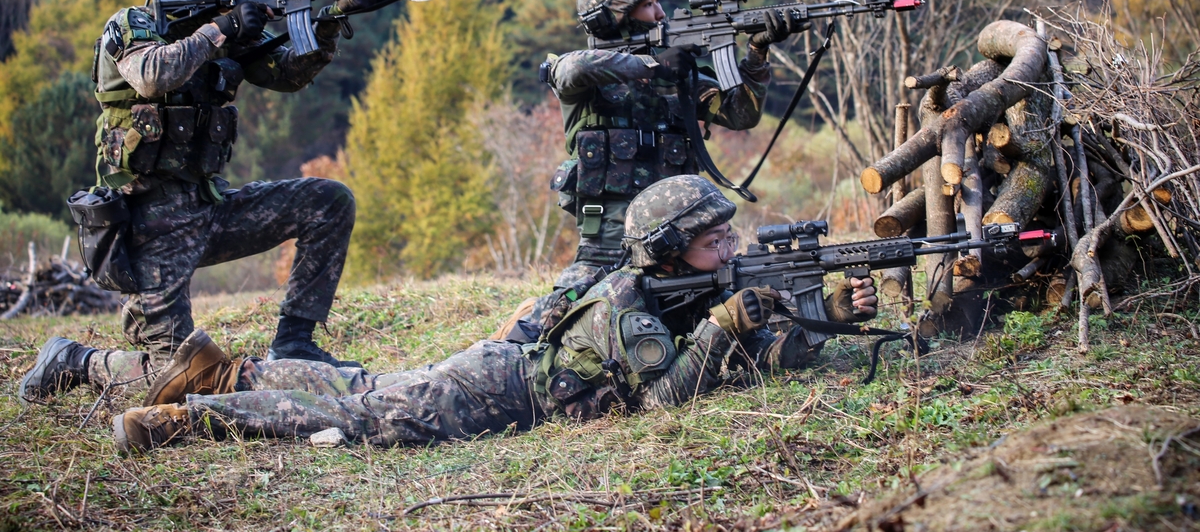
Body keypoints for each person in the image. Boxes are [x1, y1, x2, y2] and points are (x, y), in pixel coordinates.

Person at [111, 175, 877, 453]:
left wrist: (828, 314)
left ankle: (224, 369)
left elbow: (752, 360)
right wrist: (723, 327)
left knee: (369, 384)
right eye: (716, 242)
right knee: (358, 419)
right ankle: (195, 415)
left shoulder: (681, 283)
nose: (731, 250)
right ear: (673, 252)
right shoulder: (632, 305)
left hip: (502, 367)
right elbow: (664, 398)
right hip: (496, 391)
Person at [21, 0, 381, 407]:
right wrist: (221, 29)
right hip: (152, 226)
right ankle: (76, 361)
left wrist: (333, 20)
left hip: (210, 208)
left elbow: (286, 75)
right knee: (176, 376)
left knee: (328, 201)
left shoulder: (225, 27)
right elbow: (152, 74)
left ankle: (295, 341)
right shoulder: (132, 26)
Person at [501, 0, 806, 341]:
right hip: (610, 241)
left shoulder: (680, 77)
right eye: (649, 4)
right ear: (612, 17)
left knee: (733, 305)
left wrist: (757, 54)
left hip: (680, 237)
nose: (661, 13)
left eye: (660, 1)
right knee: (559, 319)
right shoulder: (585, 78)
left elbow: (741, 114)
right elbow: (570, 69)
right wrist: (650, 64)